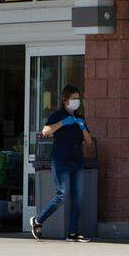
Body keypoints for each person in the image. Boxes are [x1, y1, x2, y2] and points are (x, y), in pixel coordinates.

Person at [30, 85, 93, 243]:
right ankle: (38, 220)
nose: (77, 101)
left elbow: (89, 142)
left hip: (77, 162)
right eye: (74, 98)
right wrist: (63, 123)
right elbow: (45, 132)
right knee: (62, 194)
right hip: (61, 161)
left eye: (78, 98)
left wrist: (83, 127)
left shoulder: (80, 118)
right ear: (65, 100)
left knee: (78, 199)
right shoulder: (58, 115)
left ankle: (72, 233)